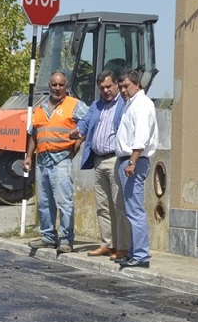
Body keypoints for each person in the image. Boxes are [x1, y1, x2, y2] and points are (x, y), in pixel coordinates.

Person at [24, 71, 86, 251]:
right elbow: (33, 135)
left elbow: (89, 121)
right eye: (54, 85)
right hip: (42, 161)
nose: (57, 88)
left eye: (61, 85)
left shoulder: (74, 105)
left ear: (66, 87)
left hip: (61, 160)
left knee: (64, 202)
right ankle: (49, 237)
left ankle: (66, 240)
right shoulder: (40, 108)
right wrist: (28, 156)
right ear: (49, 86)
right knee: (44, 202)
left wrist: (79, 141)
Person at [73, 71, 127, 257]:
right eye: (102, 88)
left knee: (119, 205)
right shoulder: (96, 105)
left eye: (108, 86)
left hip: (115, 160)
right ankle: (108, 244)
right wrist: (78, 131)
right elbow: (85, 122)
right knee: (103, 206)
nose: (105, 91)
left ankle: (122, 247)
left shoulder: (124, 104)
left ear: (116, 85)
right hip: (98, 161)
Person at [114, 69, 158, 269]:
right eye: (121, 86)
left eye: (126, 86)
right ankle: (133, 252)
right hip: (127, 159)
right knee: (130, 210)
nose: (123, 90)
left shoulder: (141, 105)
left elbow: (140, 136)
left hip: (135, 160)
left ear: (137, 84)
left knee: (135, 211)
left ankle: (140, 255)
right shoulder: (129, 104)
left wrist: (132, 161)